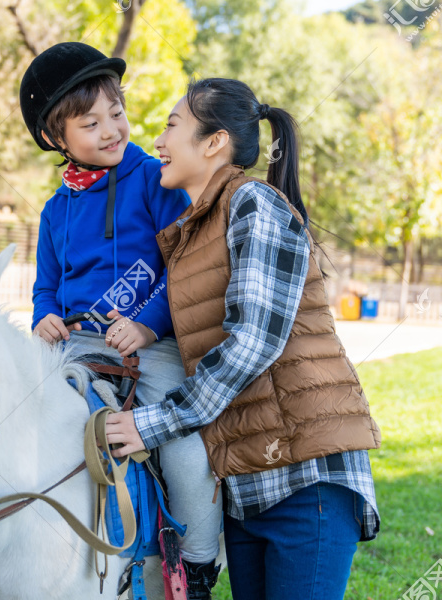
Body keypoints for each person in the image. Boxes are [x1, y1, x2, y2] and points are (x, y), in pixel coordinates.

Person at [105, 78, 382, 600]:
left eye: (171, 126)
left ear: (214, 142)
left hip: (307, 480)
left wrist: (152, 424)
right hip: (247, 487)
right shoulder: (193, 229)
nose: (158, 142)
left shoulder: (254, 203)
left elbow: (254, 341)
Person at [19, 43, 224, 598]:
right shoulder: (54, 209)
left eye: (118, 113)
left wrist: (149, 326)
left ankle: (199, 565)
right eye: (91, 124)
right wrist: (43, 317)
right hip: (76, 346)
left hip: (147, 348)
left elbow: (180, 263)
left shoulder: (153, 178)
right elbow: (45, 285)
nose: (111, 130)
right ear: (56, 138)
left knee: (183, 440)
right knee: (16, 416)